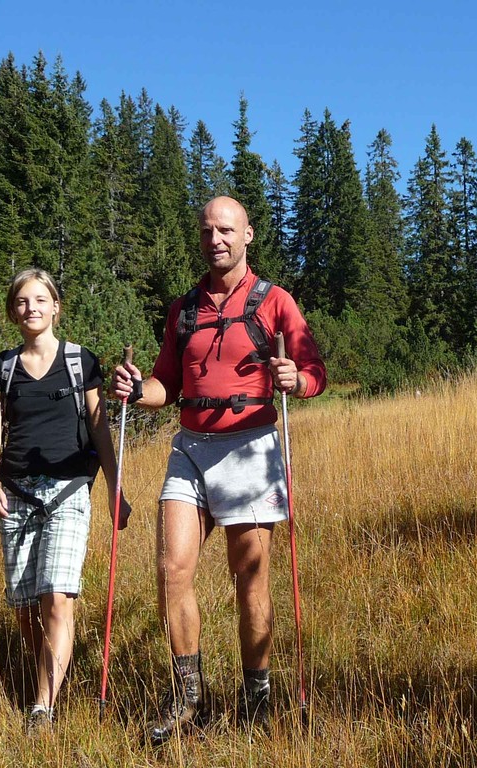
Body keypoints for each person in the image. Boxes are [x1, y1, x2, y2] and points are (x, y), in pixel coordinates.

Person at [113, 196, 326, 742]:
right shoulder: (183, 309)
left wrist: (294, 382)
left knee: (250, 580)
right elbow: (166, 385)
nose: (216, 240)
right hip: (190, 447)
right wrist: (137, 390)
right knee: (171, 572)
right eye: (208, 231)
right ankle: (189, 698)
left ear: (248, 234)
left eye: (226, 230)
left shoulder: (275, 301)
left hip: (251, 448)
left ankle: (257, 699)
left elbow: (314, 371)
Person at [0, 268, 129, 733]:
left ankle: (42, 708)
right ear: (13, 311)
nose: (32, 308)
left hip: (69, 490)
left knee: (57, 600)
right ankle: (51, 665)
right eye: (23, 302)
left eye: (41, 300)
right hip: (16, 492)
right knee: (26, 608)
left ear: (56, 306)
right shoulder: (2, 368)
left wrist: (113, 487)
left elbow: (100, 426)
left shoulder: (80, 361)